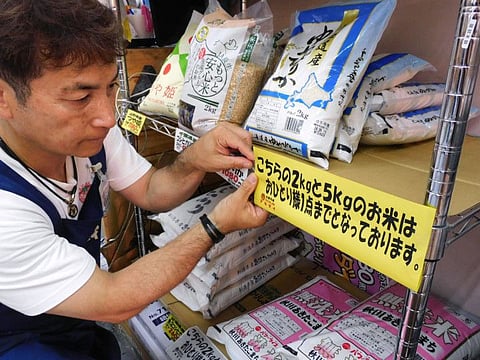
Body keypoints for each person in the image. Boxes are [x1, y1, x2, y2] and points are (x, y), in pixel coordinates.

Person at [0, 0, 269, 358]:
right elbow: (112, 299)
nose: (108, 117)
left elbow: (151, 190)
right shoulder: (6, 207)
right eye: (81, 96)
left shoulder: (89, 135)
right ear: (4, 98)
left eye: (111, 87)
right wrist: (214, 226)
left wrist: (195, 159)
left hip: (77, 322)